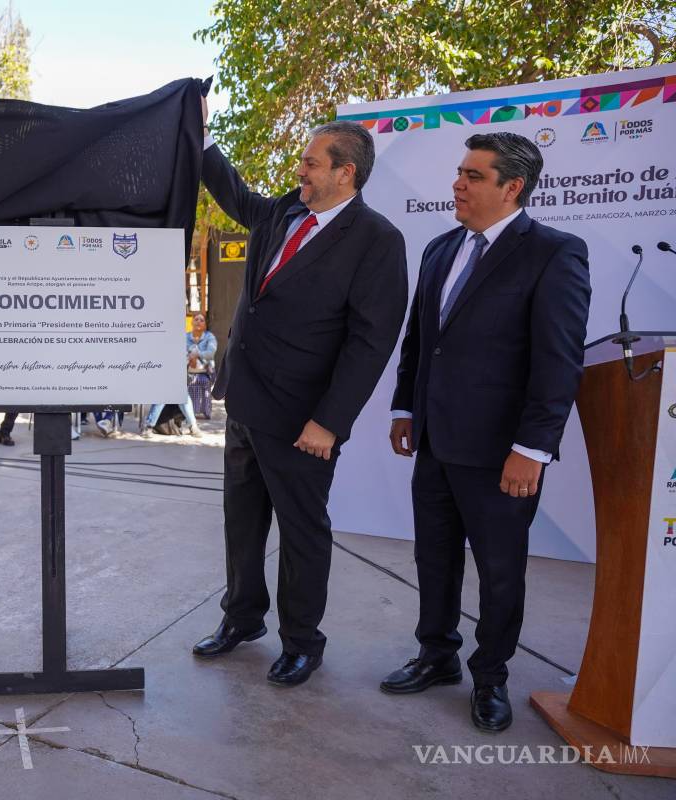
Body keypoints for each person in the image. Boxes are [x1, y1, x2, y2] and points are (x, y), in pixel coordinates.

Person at [190, 108, 408, 689]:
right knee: (242, 521)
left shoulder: (377, 240)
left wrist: (329, 422)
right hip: (244, 402)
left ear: (347, 173)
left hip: (303, 420)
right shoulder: (285, 210)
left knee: (302, 532)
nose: (301, 170)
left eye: (312, 163)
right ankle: (241, 619)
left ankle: (302, 643)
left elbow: (371, 341)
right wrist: (202, 135)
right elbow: (235, 192)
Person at [382, 133, 590, 732]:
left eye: (473, 175)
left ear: (512, 187)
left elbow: (558, 362)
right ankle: (436, 655)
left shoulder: (554, 252)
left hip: (504, 455)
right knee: (434, 557)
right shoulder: (440, 248)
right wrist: (404, 408)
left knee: (500, 571)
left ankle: (491, 677)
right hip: (436, 444)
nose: (457, 184)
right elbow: (422, 342)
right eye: (459, 172)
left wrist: (532, 450)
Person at [186, 312, 217, 418]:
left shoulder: (209, 337)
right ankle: (189, 412)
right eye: (196, 319)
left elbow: (210, 353)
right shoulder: (185, 337)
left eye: (202, 320)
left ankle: (206, 411)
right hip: (188, 370)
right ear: (191, 322)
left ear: (205, 325)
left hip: (205, 371)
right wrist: (190, 357)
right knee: (188, 381)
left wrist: (197, 354)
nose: (198, 322)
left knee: (203, 380)